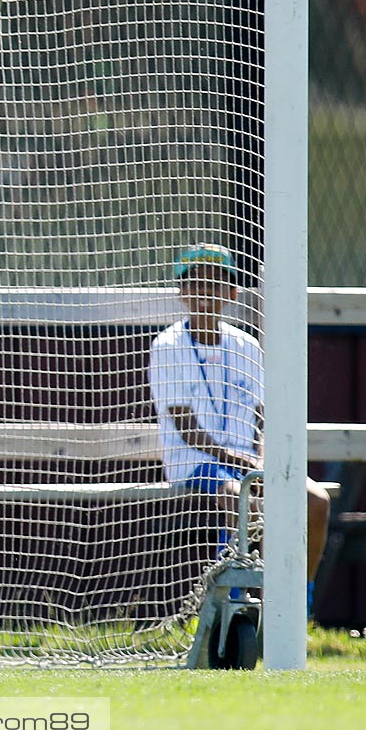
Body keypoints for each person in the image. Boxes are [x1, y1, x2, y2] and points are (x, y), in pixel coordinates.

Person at [148, 242, 330, 603]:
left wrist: (263, 458)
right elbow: (187, 429)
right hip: (196, 464)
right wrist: (245, 462)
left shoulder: (245, 344)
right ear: (182, 293)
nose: (204, 294)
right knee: (237, 496)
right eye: (195, 284)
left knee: (316, 500)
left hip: (247, 462)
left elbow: (263, 418)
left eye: (215, 285)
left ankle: (298, 599)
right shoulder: (167, 346)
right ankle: (230, 598)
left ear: (231, 293)